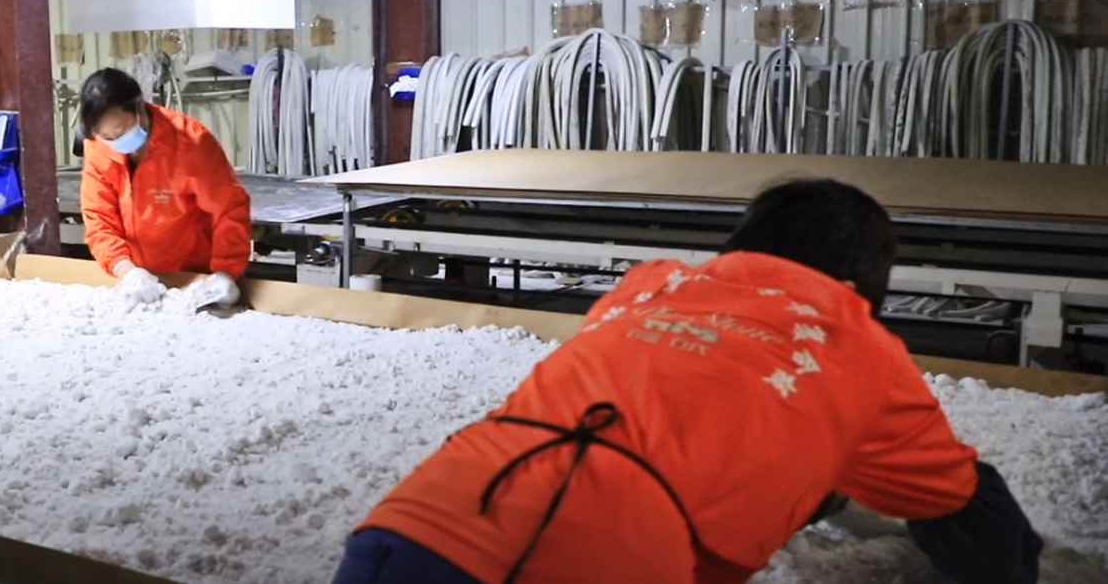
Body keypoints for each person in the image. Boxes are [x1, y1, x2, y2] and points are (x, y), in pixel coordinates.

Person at [334, 179, 1042, 584]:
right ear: (866, 284)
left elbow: (680, 401)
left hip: (409, 528)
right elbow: (958, 500)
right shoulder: (860, 346)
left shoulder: (648, 286)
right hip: (594, 559)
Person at [78, 68, 251, 308]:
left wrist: (225, 272)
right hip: (140, 284)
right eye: (107, 136)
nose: (115, 141)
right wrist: (127, 272)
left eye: (120, 132)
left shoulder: (191, 144)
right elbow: (99, 220)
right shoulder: (98, 147)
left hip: (195, 283)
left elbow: (230, 208)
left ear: (139, 106)